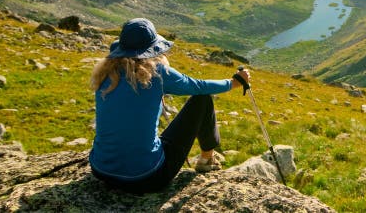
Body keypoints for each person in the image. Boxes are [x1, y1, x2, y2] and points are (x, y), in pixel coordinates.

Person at [88, 17, 250, 193]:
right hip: (147, 177)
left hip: (101, 171)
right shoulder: (156, 73)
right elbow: (198, 86)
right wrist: (234, 83)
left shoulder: (105, 72)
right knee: (202, 99)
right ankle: (207, 161)